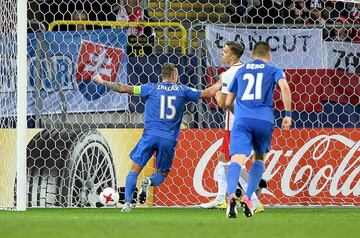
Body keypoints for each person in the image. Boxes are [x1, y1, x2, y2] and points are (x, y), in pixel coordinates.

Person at [93, 63, 222, 212]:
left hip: (149, 136)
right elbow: (208, 93)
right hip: (168, 139)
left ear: (163, 76)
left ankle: (127, 204)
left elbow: (123, 88)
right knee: (162, 174)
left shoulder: (151, 88)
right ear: (174, 77)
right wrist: (221, 81)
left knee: (134, 171)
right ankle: (148, 181)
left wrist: (102, 81)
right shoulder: (182, 90)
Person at [225, 41, 292, 218]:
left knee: (236, 160)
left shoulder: (241, 71)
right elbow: (284, 87)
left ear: (252, 55)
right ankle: (248, 197)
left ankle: (231, 195)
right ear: (268, 56)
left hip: (242, 121)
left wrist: (239, 114)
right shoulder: (273, 70)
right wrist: (287, 114)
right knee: (259, 159)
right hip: (263, 120)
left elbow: (227, 102)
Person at [198, 41, 265, 213]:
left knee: (233, 164)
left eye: (225, 51)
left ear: (233, 57)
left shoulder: (228, 75)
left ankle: (255, 200)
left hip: (235, 124)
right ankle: (221, 199)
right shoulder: (247, 70)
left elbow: (222, 102)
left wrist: (219, 94)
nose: (222, 53)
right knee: (223, 158)